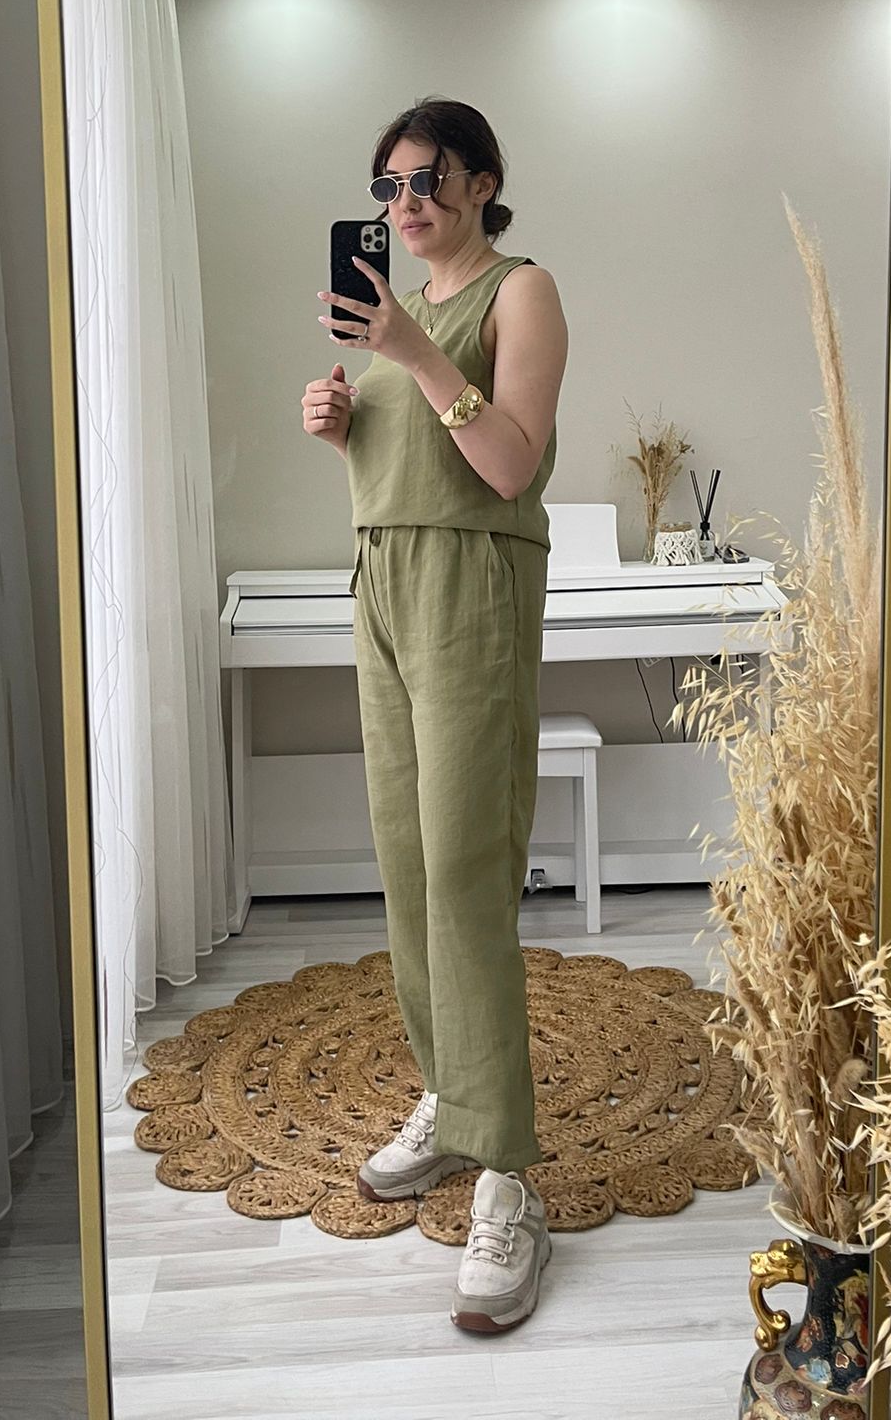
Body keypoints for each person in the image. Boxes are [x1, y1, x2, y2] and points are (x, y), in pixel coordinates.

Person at [301, 96, 568, 1335]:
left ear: (483, 182)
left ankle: (509, 1171)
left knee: (466, 866)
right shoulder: (393, 321)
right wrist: (344, 427)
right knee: (408, 865)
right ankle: (452, 1100)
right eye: (389, 184)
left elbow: (508, 461)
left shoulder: (521, 291)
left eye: (427, 178)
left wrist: (410, 352)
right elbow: (418, 459)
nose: (404, 200)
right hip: (383, 580)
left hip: (471, 585)